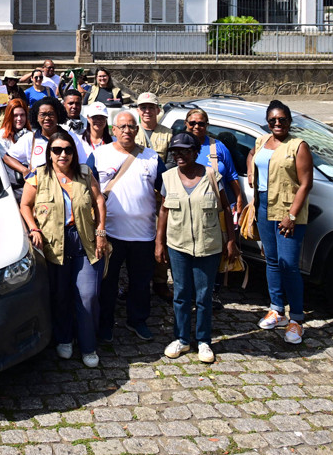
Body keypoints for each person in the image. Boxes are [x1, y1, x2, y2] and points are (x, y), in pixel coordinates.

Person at [20, 131, 107, 368]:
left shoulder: (85, 173)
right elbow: (25, 205)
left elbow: (99, 200)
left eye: (67, 149)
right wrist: (33, 228)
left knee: (87, 296)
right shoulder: (38, 176)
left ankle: (88, 345)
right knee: (60, 295)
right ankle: (64, 338)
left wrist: (100, 231)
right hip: (53, 243)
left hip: (84, 241)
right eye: (57, 150)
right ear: (49, 153)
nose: (63, 154)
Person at [155, 132, 238, 364]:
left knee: (203, 296)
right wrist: (159, 242)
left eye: (184, 151)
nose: (179, 155)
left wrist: (230, 240)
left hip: (208, 246)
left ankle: (203, 341)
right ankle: (181, 338)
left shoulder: (212, 176)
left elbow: (225, 209)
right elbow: (163, 211)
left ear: (195, 152)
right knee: (181, 294)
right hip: (177, 245)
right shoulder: (168, 177)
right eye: (175, 151)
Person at [247, 100, 314, 346]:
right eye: (273, 120)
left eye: (282, 120)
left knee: (289, 265)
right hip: (264, 207)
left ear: (289, 121)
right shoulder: (262, 141)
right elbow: (252, 155)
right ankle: (277, 309)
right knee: (272, 261)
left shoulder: (298, 146)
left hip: (288, 210)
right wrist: (251, 171)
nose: (277, 124)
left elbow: (306, 183)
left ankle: (296, 318)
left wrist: (292, 215)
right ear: (268, 122)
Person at [94, 109, 163, 343]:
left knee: (141, 283)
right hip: (110, 234)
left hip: (144, 235)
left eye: (131, 126)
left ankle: (137, 320)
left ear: (137, 130)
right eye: (122, 126)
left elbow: (166, 191)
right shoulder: (99, 155)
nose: (127, 130)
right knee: (107, 283)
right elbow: (89, 191)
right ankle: (105, 324)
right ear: (113, 130)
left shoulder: (152, 158)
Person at [136, 91, 175, 302]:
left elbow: (170, 163)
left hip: (160, 196)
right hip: (138, 197)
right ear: (138, 110)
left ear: (158, 110)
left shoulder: (168, 134)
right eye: (143, 107)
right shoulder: (131, 133)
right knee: (139, 241)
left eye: (151, 107)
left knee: (162, 239)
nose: (147, 111)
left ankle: (160, 282)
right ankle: (136, 282)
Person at [3, 97, 89, 186]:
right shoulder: (30, 139)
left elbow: (83, 163)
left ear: (58, 115)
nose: (47, 118)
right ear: (36, 117)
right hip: (40, 190)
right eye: (42, 114)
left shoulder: (70, 137)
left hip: (67, 187)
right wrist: (24, 170)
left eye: (51, 114)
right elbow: (7, 158)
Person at [0, 98, 31, 165]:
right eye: (15, 115)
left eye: (22, 115)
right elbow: (5, 160)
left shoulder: (30, 135)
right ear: (9, 116)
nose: (19, 119)